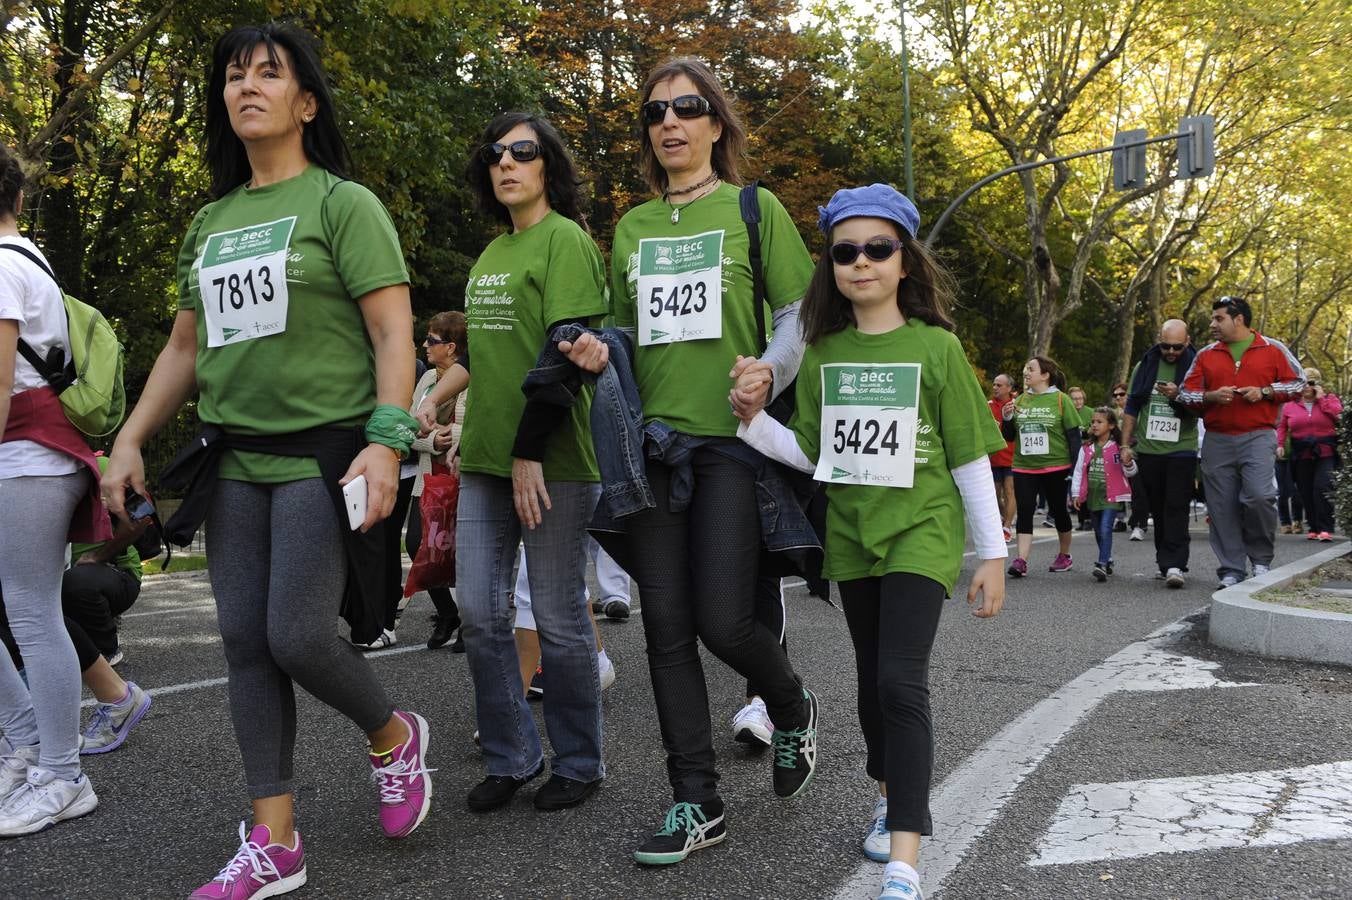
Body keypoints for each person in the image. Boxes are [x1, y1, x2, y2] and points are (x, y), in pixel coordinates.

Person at [102, 24, 432, 897]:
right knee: (247, 644)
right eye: (234, 75)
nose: (247, 86)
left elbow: (394, 331)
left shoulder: (342, 204)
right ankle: (274, 838)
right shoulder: (211, 220)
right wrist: (130, 439)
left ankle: (393, 734)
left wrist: (387, 438)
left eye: (269, 74)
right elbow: (183, 348)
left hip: (327, 452)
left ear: (306, 103)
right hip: (235, 458)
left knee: (295, 635)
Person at [732, 183, 1006, 900]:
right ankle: (889, 792)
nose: (861, 262)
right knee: (868, 684)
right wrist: (754, 424)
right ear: (832, 265)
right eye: (846, 251)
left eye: (877, 248)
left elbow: (967, 456)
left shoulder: (938, 349)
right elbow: (819, 454)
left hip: (923, 529)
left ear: (904, 262)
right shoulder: (821, 354)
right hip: (851, 535)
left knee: (899, 681)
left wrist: (995, 553)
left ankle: (905, 864)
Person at [607, 58, 819, 865]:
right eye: (656, 111)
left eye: (688, 108)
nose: (670, 122)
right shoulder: (630, 227)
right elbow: (626, 333)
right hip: (656, 450)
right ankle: (695, 802)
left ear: (716, 123)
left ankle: (791, 703)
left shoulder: (754, 209)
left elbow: (800, 314)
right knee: (664, 631)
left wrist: (770, 369)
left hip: (734, 445)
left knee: (723, 620)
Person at [431, 110, 610, 815]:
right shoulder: (490, 255)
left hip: (553, 459)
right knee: (478, 610)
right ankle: (513, 754)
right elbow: (486, 356)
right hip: (483, 461)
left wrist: (530, 451)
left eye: (523, 152)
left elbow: (565, 357)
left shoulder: (565, 241)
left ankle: (579, 761)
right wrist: (435, 405)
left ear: (547, 166)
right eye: (496, 152)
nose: (506, 163)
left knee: (562, 618)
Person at [0, 142, 108, 836]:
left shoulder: (2, 265)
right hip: (31, 453)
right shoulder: (25, 256)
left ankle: (64, 773)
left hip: (28, 455)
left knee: (33, 612)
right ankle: (26, 742)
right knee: (28, 609)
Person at [1179, 296, 1304, 587]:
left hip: (1258, 437)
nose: (1212, 324)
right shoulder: (1206, 354)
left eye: (1218, 318)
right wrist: (1210, 396)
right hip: (1217, 440)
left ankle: (1260, 561)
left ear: (1238, 319)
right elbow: (1185, 394)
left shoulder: (1273, 349)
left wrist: (1265, 392)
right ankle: (1232, 569)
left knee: (1260, 497)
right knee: (1221, 508)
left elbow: (1298, 383)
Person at [1119, 319, 1199, 588]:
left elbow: (1204, 408)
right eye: (1166, 346)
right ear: (1159, 341)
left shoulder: (1196, 367)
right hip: (1149, 449)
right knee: (1158, 506)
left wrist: (1179, 395)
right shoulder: (1145, 366)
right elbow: (1132, 407)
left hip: (1182, 448)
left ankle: (1176, 564)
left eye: (1177, 347)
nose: (1171, 352)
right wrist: (1125, 444)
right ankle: (1165, 561)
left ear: (1187, 342)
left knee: (1176, 505)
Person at [406, 311, 467, 650]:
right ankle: (447, 612)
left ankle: (471, 623)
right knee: (418, 544)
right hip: (430, 478)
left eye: (432, 340)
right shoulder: (427, 378)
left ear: (452, 347)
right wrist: (432, 441)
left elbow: (479, 425)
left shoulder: (475, 376)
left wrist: (451, 435)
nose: (424, 345)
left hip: (463, 476)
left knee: (464, 553)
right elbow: (410, 425)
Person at [63, 454, 150, 664]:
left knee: (75, 583)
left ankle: (105, 649)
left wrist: (101, 557)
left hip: (114, 571)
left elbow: (143, 514)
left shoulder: (100, 465)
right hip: (56, 575)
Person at [1001, 356, 1081, 576]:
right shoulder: (1019, 401)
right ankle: (1021, 560)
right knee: (1025, 512)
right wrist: (1007, 418)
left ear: (1045, 375)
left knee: (1058, 512)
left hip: (1056, 466)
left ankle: (1064, 554)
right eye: (1025, 368)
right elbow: (1008, 437)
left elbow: (1074, 437)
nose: (1026, 372)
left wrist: (1076, 470)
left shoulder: (1061, 400)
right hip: (1024, 466)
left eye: (1031, 369)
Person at [1071, 407, 1138, 582]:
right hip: (1093, 495)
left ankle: (1101, 563)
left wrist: (1129, 463)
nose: (1094, 425)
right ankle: (1107, 559)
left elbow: (1130, 472)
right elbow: (1079, 471)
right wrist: (1076, 494)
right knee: (1099, 530)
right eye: (1093, 422)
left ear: (1111, 425)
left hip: (1112, 495)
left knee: (1106, 527)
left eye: (1099, 422)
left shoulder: (1118, 447)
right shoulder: (1086, 448)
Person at [1277, 367, 1342, 541]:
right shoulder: (1290, 405)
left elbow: (1338, 416)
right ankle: (1313, 526)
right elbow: (1282, 426)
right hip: (1301, 453)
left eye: (1310, 383)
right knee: (1304, 491)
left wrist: (1322, 400)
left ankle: (1326, 528)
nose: (1306, 387)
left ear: (1317, 384)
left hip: (1325, 452)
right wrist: (1280, 444)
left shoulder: (1330, 399)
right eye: (1302, 383)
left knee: (1322, 487)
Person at [988, 374, 1017, 541]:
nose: (995, 388)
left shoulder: (1016, 405)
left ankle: (1007, 526)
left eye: (999, 385)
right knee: (994, 493)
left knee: (1009, 490)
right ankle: (1002, 518)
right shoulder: (988, 406)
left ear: (1009, 388)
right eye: (994, 384)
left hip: (1013, 456)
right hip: (994, 456)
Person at [1066, 385, 1093, 531]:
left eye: (1080, 398)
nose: (1078, 402)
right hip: (1071, 454)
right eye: (1075, 399)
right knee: (1075, 487)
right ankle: (1081, 519)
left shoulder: (1090, 412)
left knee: (1086, 487)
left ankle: (1089, 518)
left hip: (1088, 454)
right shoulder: (1066, 412)